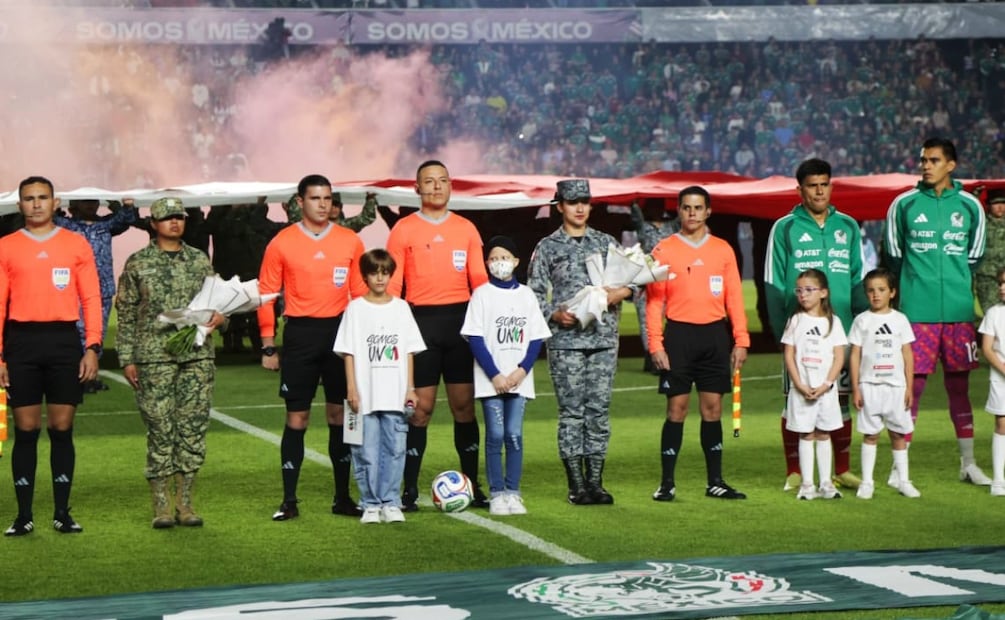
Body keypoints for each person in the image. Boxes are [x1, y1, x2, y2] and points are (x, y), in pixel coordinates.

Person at [257, 174, 367, 521]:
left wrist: (364, 339)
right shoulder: (282, 242)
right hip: (301, 336)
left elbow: (361, 294)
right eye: (315, 198)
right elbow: (266, 295)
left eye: (327, 198)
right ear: (299, 202)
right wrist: (268, 344)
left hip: (340, 334)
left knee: (341, 416)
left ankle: (342, 497)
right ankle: (289, 501)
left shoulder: (350, 241)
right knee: (297, 418)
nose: (322, 204)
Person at [882, 137, 991, 486]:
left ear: (951, 165)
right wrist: (917, 288)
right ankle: (899, 470)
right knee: (910, 389)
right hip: (917, 314)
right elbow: (894, 256)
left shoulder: (971, 206)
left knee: (959, 387)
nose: (925, 165)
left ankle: (969, 465)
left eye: (932, 160)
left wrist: (956, 286)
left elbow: (973, 257)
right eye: (923, 160)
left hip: (959, 314)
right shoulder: (904, 204)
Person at [385, 160, 490, 511]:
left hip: (461, 325)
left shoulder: (467, 229)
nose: (435, 187)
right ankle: (409, 490)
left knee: (464, 407)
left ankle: (473, 485)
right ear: (417, 189)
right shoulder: (403, 230)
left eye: (442, 181)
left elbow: (481, 284)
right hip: (420, 325)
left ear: (450, 186)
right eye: (428, 182)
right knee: (420, 411)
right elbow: (394, 288)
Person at [0, 176, 102, 536]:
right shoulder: (6, 247)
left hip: (63, 343)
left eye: (43, 197)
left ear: (56, 202)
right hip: (22, 344)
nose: (37, 204)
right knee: (25, 431)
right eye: (29, 198)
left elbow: (90, 298)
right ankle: (23, 516)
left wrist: (91, 346)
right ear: (20, 204)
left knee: (61, 429)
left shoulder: (76, 245)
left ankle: (62, 512)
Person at [115, 197, 226, 528]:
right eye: (167, 218)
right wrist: (126, 358)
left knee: (192, 428)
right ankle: (161, 506)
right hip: (154, 357)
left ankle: (186, 504)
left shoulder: (199, 261)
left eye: (179, 217)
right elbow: (127, 312)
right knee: (161, 429)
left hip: (197, 355)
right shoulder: (138, 264)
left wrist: (221, 319)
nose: (174, 222)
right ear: (154, 224)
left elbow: (218, 303)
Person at [528, 178, 634, 505]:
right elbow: (532, 294)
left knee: (599, 412)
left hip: (603, 339)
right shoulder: (547, 247)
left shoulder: (606, 243)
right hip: (565, 341)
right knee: (572, 412)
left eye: (584, 202)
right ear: (559, 206)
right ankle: (576, 484)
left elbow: (633, 283)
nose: (579, 208)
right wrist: (554, 314)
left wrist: (619, 292)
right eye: (572, 202)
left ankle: (596, 482)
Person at [764, 158, 866, 492]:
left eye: (824, 184)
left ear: (831, 186)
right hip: (800, 336)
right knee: (796, 398)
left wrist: (860, 328)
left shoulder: (849, 227)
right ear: (800, 189)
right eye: (812, 185)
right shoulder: (785, 228)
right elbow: (774, 283)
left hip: (842, 333)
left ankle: (843, 469)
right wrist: (785, 336)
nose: (819, 191)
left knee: (842, 398)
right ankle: (795, 471)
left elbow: (857, 281)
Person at [645, 186, 749, 502]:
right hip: (678, 337)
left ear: (708, 211)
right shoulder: (664, 250)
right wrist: (655, 344)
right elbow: (653, 302)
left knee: (713, 409)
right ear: (679, 210)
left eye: (698, 207)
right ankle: (666, 483)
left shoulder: (722, 250)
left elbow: (734, 296)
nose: (692, 213)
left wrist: (741, 339)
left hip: (715, 337)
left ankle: (715, 481)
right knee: (676, 409)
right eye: (687, 207)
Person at [461, 236, 551, 516]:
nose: (500, 263)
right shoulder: (482, 295)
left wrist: (522, 370)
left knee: (514, 435)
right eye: (494, 258)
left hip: (519, 380)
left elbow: (536, 337)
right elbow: (475, 338)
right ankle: (497, 493)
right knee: (496, 434)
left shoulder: (526, 295)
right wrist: (495, 375)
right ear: (487, 263)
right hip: (492, 381)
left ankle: (513, 492)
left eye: (505, 257)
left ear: (516, 261)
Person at [333, 249, 425, 524]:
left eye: (385, 273)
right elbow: (348, 350)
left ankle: (391, 501)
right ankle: (370, 502)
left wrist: (410, 388)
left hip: (395, 393)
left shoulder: (401, 308)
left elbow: (408, 350)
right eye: (374, 273)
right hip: (365, 393)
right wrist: (351, 387)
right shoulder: (355, 309)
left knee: (396, 448)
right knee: (365, 450)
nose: (380, 278)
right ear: (365, 276)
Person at [848, 268, 920, 500]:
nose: (875, 295)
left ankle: (904, 481)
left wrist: (909, 387)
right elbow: (855, 355)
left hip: (896, 387)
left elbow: (907, 354)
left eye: (881, 290)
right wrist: (856, 387)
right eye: (870, 291)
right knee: (870, 435)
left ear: (892, 292)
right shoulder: (862, 320)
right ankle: (867, 482)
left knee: (898, 434)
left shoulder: (900, 320)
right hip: (870, 385)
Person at [56, 198, 137, 393]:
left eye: (93, 201)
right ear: (75, 205)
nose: (90, 205)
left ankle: (90, 376)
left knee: (96, 333)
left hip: (101, 289)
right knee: (76, 332)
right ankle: (75, 375)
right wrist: (55, 206)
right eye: (85, 202)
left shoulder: (106, 224)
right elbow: (49, 218)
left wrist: (125, 206)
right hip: (74, 289)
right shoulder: (67, 225)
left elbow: (126, 219)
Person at [781, 269, 848, 501]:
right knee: (806, 434)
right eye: (799, 290)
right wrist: (798, 384)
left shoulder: (834, 322)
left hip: (825, 392)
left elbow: (839, 356)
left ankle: (826, 483)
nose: (803, 295)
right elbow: (789, 354)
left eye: (809, 290)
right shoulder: (795, 320)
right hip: (802, 390)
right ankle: (807, 484)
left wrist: (827, 383)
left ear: (823, 293)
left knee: (823, 433)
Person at [629, 198, 678, 374]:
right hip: (647, 278)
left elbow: (682, 216)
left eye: (660, 205)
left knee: (669, 318)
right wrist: (634, 200)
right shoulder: (643, 226)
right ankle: (651, 356)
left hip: (669, 277)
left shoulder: (672, 225)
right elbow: (636, 216)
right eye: (653, 206)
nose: (657, 209)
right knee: (646, 320)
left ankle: (663, 354)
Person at [285, 191, 378, 232]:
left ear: (341, 207)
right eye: (331, 205)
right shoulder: (315, 225)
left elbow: (366, 218)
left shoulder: (345, 226)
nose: (334, 208)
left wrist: (370, 199)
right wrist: (296, 196)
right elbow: (296, 219)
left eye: (337, 205)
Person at [975, 189, 1005, 316]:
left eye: (1003, 203)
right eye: (995, 203)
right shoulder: (981, 223)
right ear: (988, 206)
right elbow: (971, 211)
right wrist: (975, 194)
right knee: (991, 314)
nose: (1000, 207)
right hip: (987, 277)